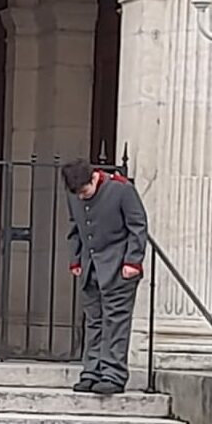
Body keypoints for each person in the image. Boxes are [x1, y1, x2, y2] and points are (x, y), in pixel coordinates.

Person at [62, 159, 148, 395]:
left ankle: (113, 373)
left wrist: (133, 261)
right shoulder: (74, 195)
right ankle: (91, 371)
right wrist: (76, 259)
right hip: (91, 268)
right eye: (76, 193)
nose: (81, 197)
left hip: (119, 267)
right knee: (94, 321)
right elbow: (76, 229)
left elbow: (138, 226)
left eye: (84, 191)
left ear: (93, 178)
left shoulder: (121, 189)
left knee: (116, 321)